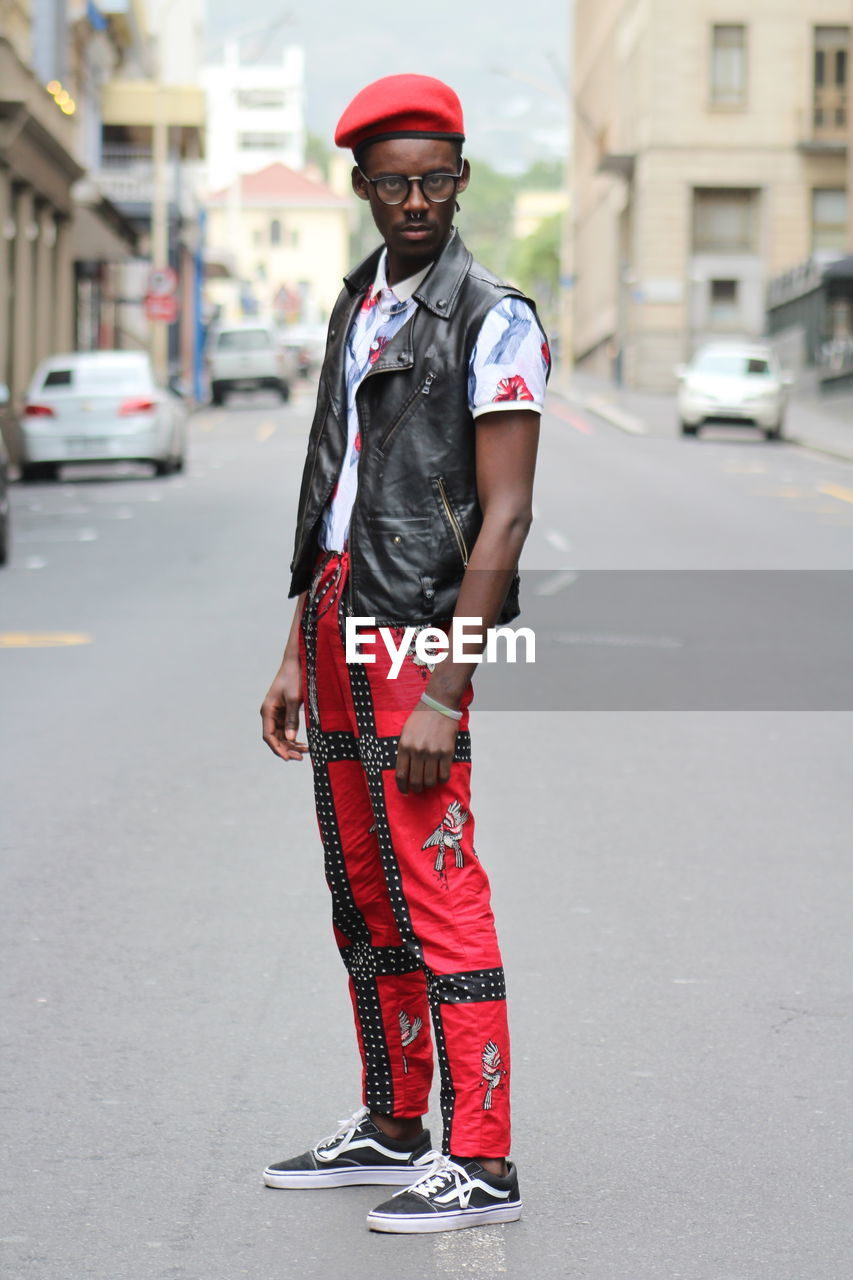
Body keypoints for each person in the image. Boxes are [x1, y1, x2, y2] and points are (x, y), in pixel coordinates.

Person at [260, 74, 550, 1234]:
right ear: (363, 187)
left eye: (436, 178)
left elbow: (507, 516)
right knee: (362, 886)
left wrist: (447, 681)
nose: (417, 199)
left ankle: (481, 1156)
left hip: (416, 630)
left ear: (464, 179)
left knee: (437, 886)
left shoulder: (493, 313)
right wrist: (293, 643)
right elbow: (333, 489)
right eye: (395, 181)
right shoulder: (358, 302)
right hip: (336, 613)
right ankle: (392, 1119)